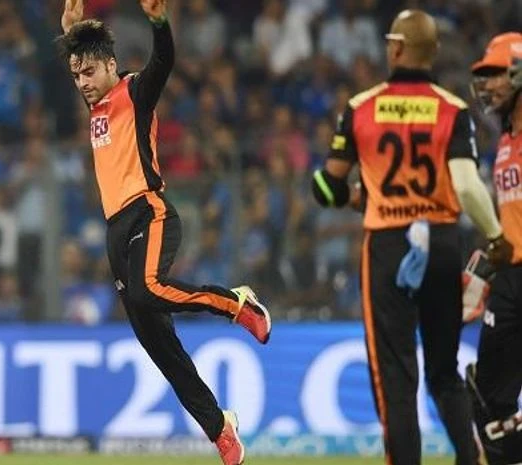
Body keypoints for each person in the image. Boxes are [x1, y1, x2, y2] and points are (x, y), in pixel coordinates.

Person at [56, 1, 270, 464]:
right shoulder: (96, 104)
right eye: (77, 76)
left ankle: (235, 304)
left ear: (112, 66)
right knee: (160, 347)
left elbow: (164, 61)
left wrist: (159, 21)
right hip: (117, 231)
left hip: (149, 212)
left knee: (150, 287)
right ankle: (220, 428)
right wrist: (72, 37)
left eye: (90, 72)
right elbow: (81, 67)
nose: (83, 83)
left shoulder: (134, 91)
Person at [311, 9, 512, 465]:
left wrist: (346, 193)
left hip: (387, 246)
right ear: (434, 52)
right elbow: (465, 184)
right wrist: (494, 234)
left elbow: (327, 186)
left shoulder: (361, 107)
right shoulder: (453, 109)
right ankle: (471, 457)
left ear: (396, 48)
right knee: (445, 372)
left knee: (398, 382)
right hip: (441, 244)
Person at [466, 32, 522, 465]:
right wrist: (489, 262)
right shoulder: (505, 142)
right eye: (482, 77)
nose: (487, 86)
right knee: (486, 400)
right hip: (510, 280)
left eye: (495, 75)